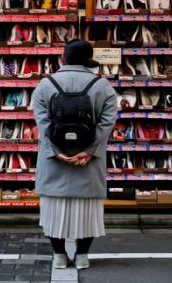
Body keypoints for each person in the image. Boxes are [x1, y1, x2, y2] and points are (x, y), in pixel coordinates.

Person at [32, 40, 117, 269]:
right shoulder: (103, 86)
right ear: (89, 59)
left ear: (63, 58)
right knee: (86, 212)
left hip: (54, 162)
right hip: (87, 162)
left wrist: (56, 152)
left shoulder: (45, 85)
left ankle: (59, 255)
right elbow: (106, 124)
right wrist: (89, 151)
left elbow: (43, 125)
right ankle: (82, 256)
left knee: (53, 210)